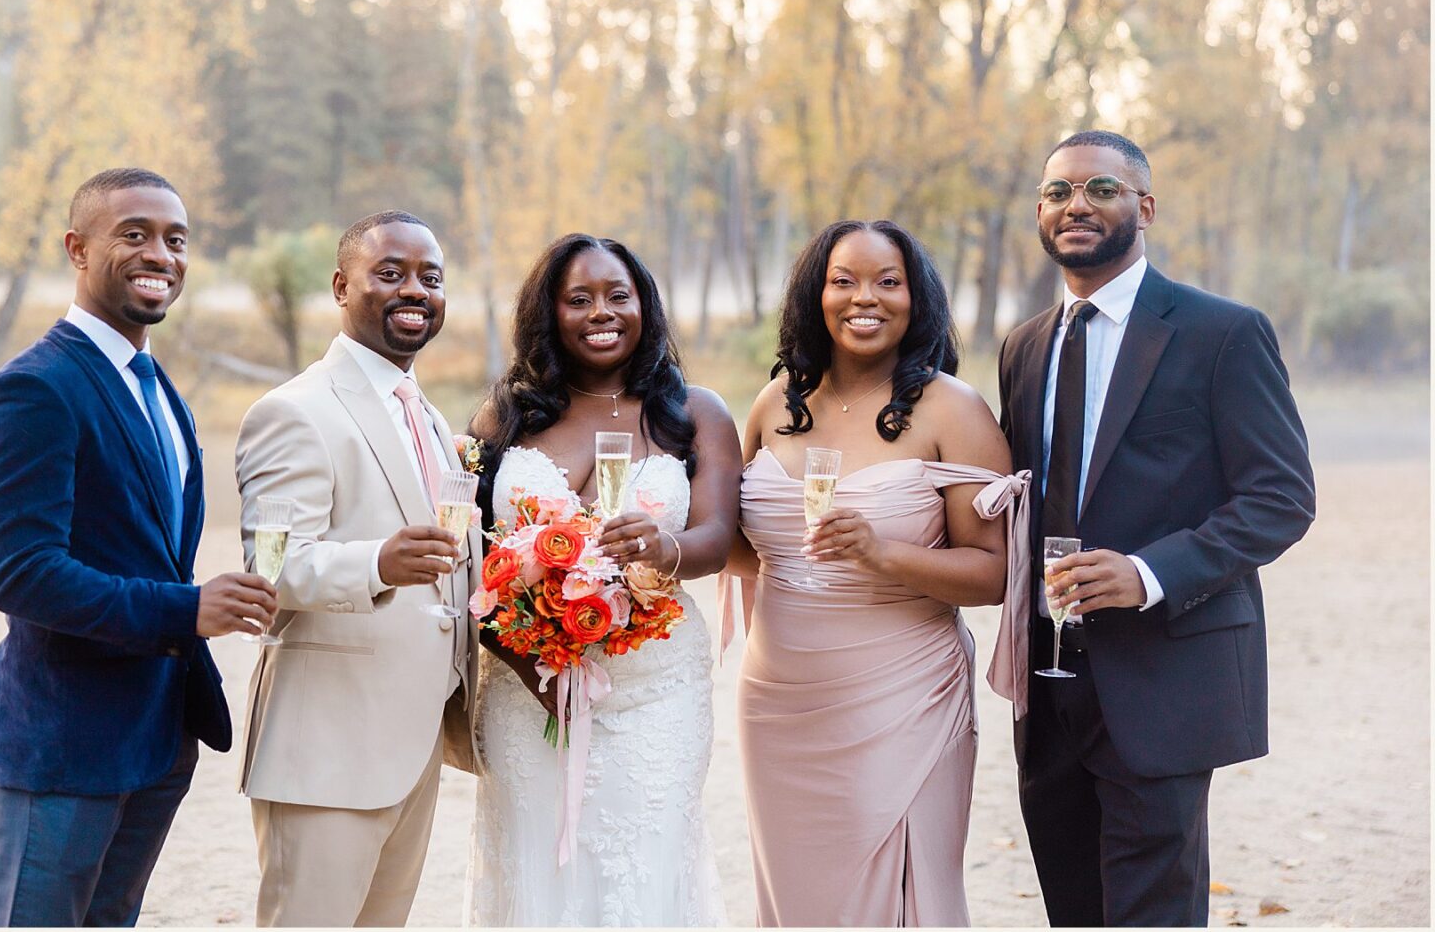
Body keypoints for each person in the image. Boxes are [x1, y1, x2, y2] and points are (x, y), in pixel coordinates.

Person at [999, 130, 1316, 926]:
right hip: (1048, 682)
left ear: (1145, 207)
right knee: (1072, 909)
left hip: (1166, 680)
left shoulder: (1223, 333)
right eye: (1056, 192)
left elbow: (1281, 497)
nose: (1076, 204)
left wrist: (1147, 574)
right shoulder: (1023, 346)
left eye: (1101, 189)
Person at [0, 168, 280, 926]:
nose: (161, 255)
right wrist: (187, 608)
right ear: (77, 248)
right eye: (134, 234)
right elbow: (24, 577)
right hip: (64, 740)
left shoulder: (157, 385)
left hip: (155, 736)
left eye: (176, 239)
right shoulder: (34, 390)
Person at [723, 220, 1029, 927]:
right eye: (845, 281)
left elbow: (993, 575)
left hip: (900, 696)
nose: (867, 298)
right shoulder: (776, 403)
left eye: (888, 282)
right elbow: (752, 548)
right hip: (779, 702)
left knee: (897, 898)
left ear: (915, 298)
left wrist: (882, 553)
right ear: (815, 296)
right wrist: (658, 545)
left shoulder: (954, 408)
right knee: (800, 903)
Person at [465, 234, 740, 926]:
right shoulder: (505, 416)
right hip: (529, 696)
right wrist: (529, 664)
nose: (602, 312)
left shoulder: (694, 412)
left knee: (645, 864)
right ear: (548, 312)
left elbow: (718, 537)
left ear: (644, 303)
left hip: (657, 691)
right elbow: (470, 559)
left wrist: (664, 547)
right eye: (579, 298)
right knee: (536, 866)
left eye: (619, 295)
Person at [233, 210, 480, 926]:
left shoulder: (428, 416)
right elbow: (273, 574)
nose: (416, 291)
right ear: (342, 286)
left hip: (413, 747)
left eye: (431, 279)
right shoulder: (295, 412)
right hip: (327, 754)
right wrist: (379, 560)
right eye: (391, 273)